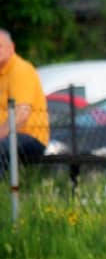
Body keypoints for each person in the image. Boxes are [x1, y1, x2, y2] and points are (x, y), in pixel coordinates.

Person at [0, 28, 49, 173]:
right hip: (7, 137)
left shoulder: (20, 70)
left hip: (29, 136)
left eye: (0, 46)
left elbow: (21, 115)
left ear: (12, 47)